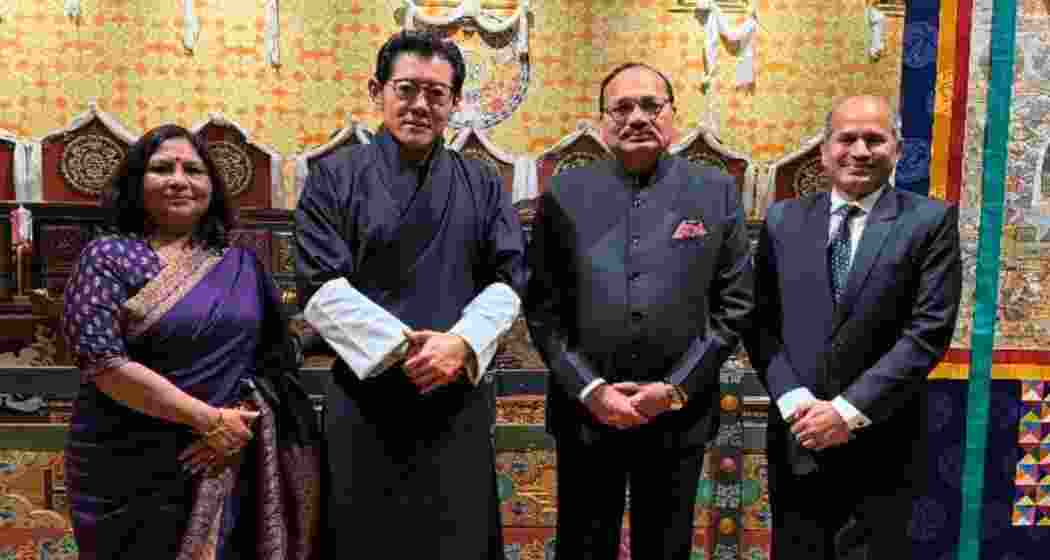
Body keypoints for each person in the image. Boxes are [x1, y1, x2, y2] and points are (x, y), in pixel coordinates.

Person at [294, 30, 526, 558]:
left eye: (437, 93)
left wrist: (460, 345)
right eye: (406, 89)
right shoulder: (332, 178)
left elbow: (509, 277)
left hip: (454, 399)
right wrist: (408, 350)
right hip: (365, 397)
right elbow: (319, 284)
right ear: (377, 90)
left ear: (456, 102)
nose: (420, 105)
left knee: (456, 539)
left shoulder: (482, 182)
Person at [524, 62, 754, 560]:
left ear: (672, 114)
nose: (637, 117)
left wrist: (674, 390)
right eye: (622, 107)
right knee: (582, 544)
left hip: (678, 412)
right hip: (586, 410)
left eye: (651, 105)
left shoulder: (715, 192)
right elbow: (543, 306)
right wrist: (590, 388)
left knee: (666, 546)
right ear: (603, 120)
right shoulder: (565, 192)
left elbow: (734, 303)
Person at [62, 124, 321, 559]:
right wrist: (207, 421)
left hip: (226, 452)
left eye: (194, 170)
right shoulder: (106, 256)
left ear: (211, 187)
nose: (179, 180)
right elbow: (101, 360)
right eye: (162, 168)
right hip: (127, 461)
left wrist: (235, 422)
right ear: (136, 183)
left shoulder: (240, 264)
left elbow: (273, 357)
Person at [745, 95, 962, 559]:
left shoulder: (929, 221)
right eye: (846, 138)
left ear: (897, 150)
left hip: (881, 441)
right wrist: (797, 403)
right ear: (824, 151)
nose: (860, 150)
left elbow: (927, 333)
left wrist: (845, 412)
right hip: (797, 437)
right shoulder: (783, 220)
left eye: (875, 139)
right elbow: (760, 322)